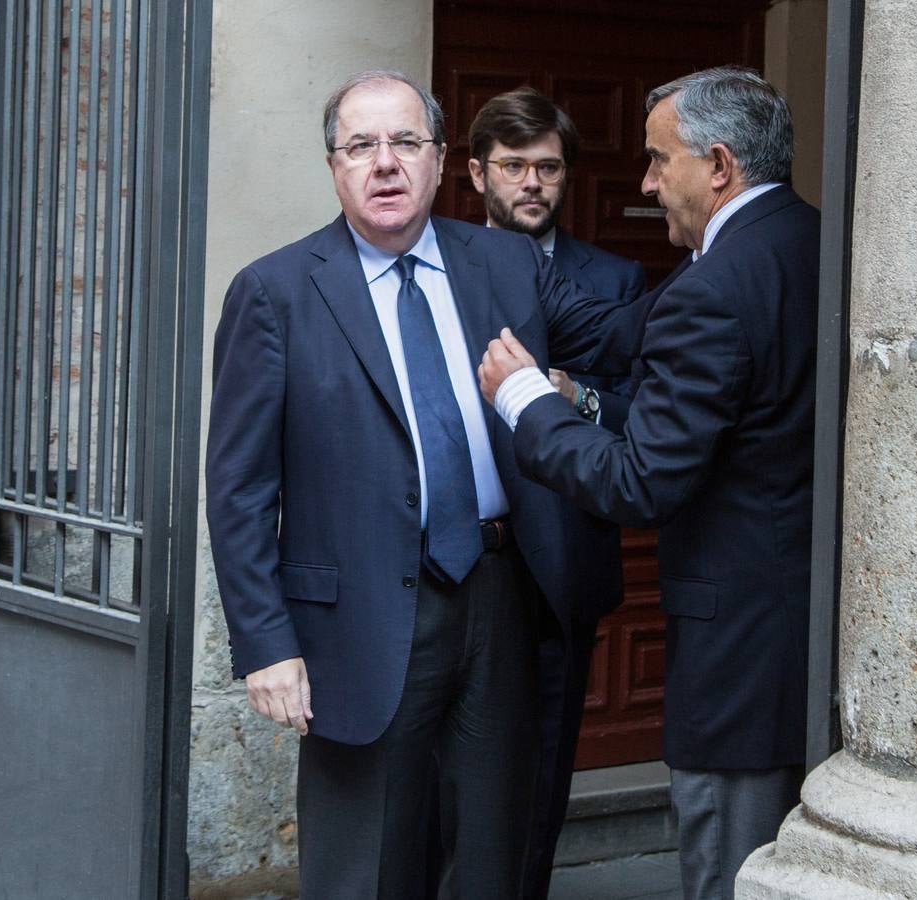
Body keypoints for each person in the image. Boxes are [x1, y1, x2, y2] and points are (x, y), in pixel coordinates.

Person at [205, 70, 638, 898]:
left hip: (500, 594)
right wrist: (267, 643)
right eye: (360, 146)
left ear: (443, 162)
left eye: (405, 142)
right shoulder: (276, 293)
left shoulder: (506, 264)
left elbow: (624, 338)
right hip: (357, 617)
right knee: (364, 863)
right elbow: (239, 488)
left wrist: (737, 256)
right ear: (333, 166)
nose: (384, 163)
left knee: (492, 852)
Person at [479, 66, 820, 900]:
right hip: (799, 644)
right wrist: (476, 253)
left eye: (656, 161)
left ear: (717, 164)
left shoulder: (715, 285)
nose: (644, 183)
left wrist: (528, 401)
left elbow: (640, 484)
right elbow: (624, 329)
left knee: (731, 875)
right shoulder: (806, 241)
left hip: (738, 659)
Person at [466, 86, 645, 900]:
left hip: (561, 558)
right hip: (459, 556)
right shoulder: (437, 268)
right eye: (513, 167)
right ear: (476, 175)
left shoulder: (614, 280)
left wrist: (571, 397)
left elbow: (640, 416)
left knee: (540, 770)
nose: (531, 183)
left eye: (547, 167)